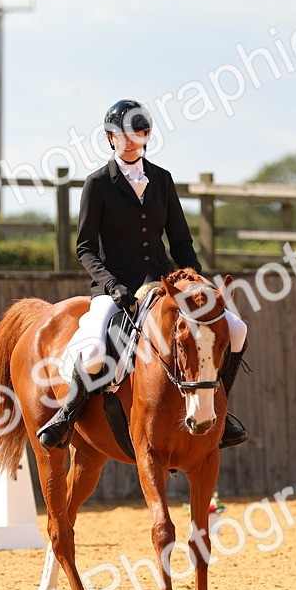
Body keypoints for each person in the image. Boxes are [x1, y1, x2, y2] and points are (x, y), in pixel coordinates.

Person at [37, 98, 249, 450]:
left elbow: (181, 241)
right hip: (116, 287)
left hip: (165, 285)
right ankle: (67, 415)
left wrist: (195, 284)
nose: (134, 139)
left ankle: (220, 412)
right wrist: (111, 285)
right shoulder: (98, 183)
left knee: (236, 329)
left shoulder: (162, 180)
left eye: (141, 132)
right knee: (92, 350)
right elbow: (85, 248)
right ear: (110, 137)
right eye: (126, 134)